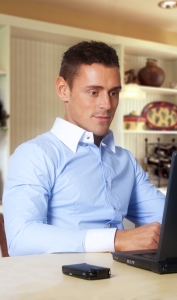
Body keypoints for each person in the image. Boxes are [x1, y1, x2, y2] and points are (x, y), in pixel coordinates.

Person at [3, 41, 165, 256]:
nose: (107, 104)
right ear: (63, 90)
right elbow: (21, 238)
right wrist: (116, 239)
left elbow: (169, 218)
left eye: (114, 92)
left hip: (125, 280)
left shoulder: (124, 160)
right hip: (61, 284)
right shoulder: (34, 155)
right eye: (93, 92)